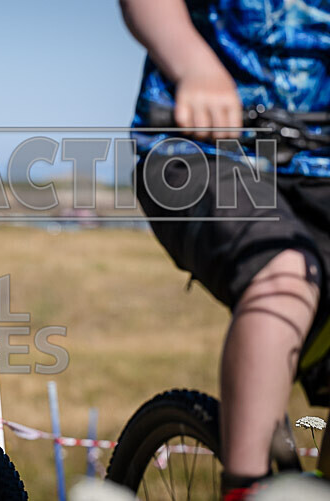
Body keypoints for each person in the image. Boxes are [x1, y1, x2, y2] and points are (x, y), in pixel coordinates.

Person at [120, 0, 330, 498]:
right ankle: (247, 485)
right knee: (285, 274)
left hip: (320, 166)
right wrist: (193, 64)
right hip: (203, 151)